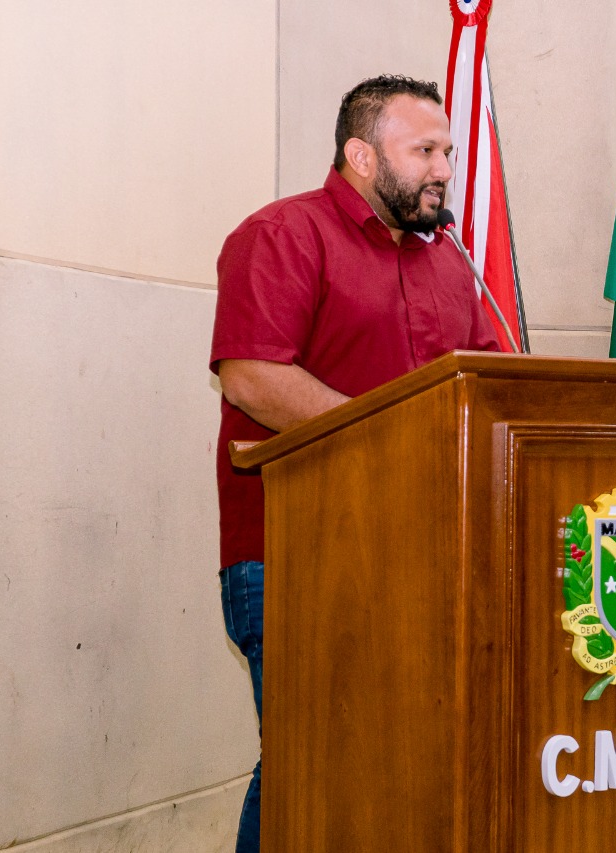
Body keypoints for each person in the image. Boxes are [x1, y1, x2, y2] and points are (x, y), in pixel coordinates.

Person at [209, 74, 501, 852]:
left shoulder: (447, 264)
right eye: (426, 150)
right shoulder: (281, 235)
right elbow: (251, 374)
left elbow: (495, 389)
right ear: (361, 156)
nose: (444, 168)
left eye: (450, 151)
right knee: (309, 762)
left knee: (394, 762)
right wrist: (393, 434)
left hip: (424, 553)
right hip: (296, 551)